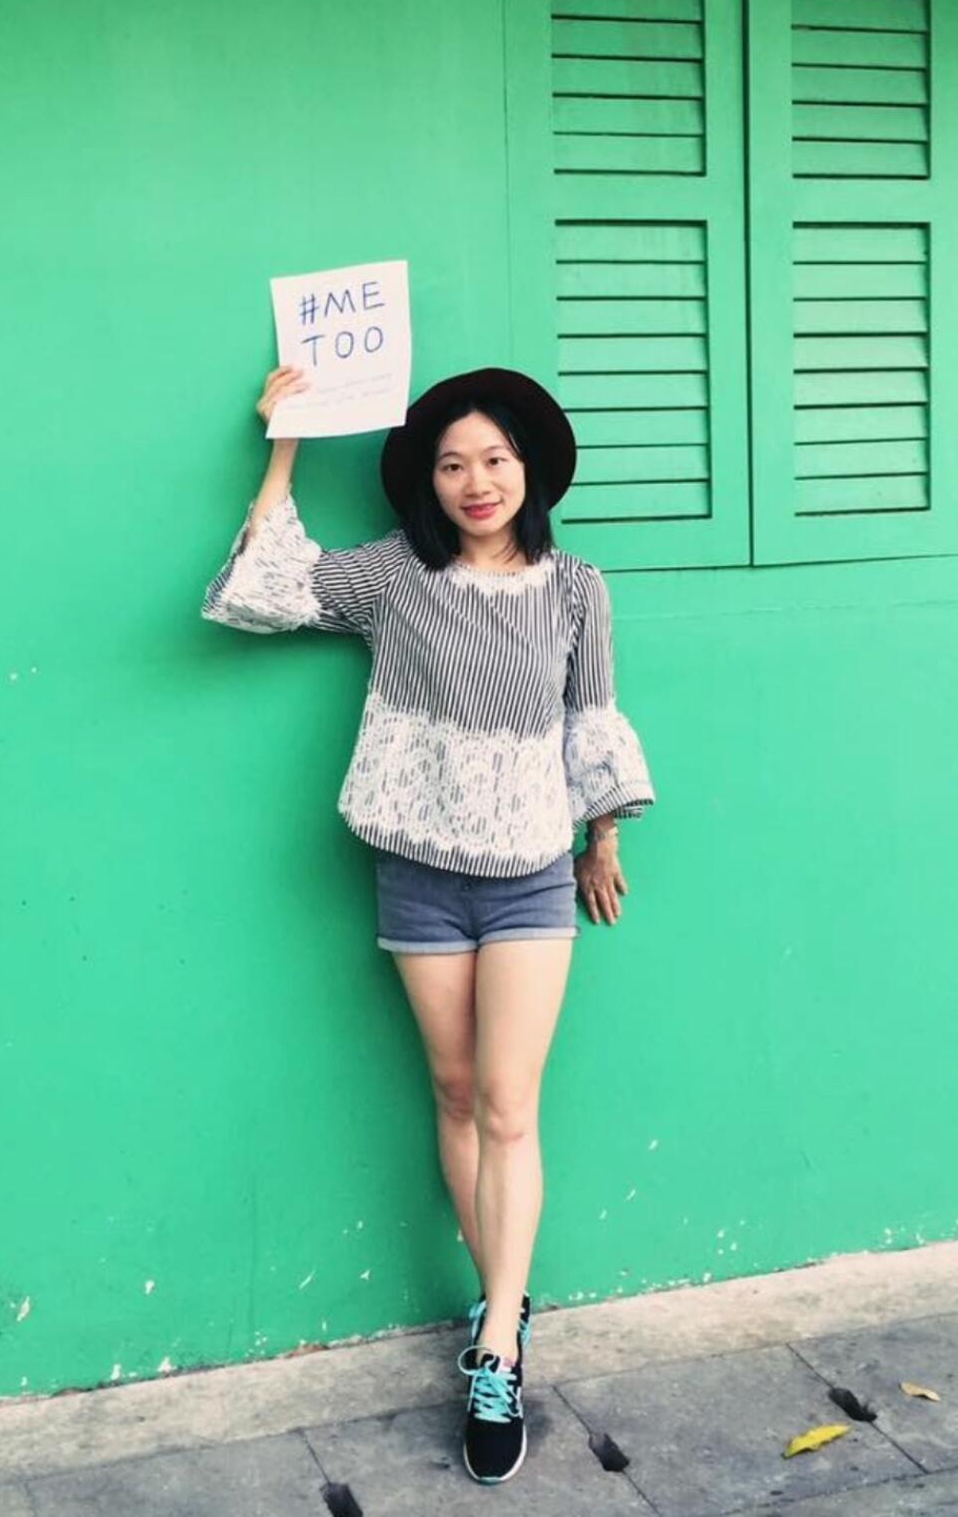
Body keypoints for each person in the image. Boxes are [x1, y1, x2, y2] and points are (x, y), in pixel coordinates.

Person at [201, 362, 656, 1486]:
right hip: (415, 872)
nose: (476, 480)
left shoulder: (577, 588)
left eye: (495, 459)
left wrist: (604, 840)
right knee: (453, 1094)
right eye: (453, 464)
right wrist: (287, 440)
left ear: (529, 470)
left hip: (529, 880)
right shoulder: (397, 576)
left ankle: (496, 1342)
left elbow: (590, 719)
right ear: (430, 484)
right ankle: (509, 1294)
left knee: (508, 1104)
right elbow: (273, 585)